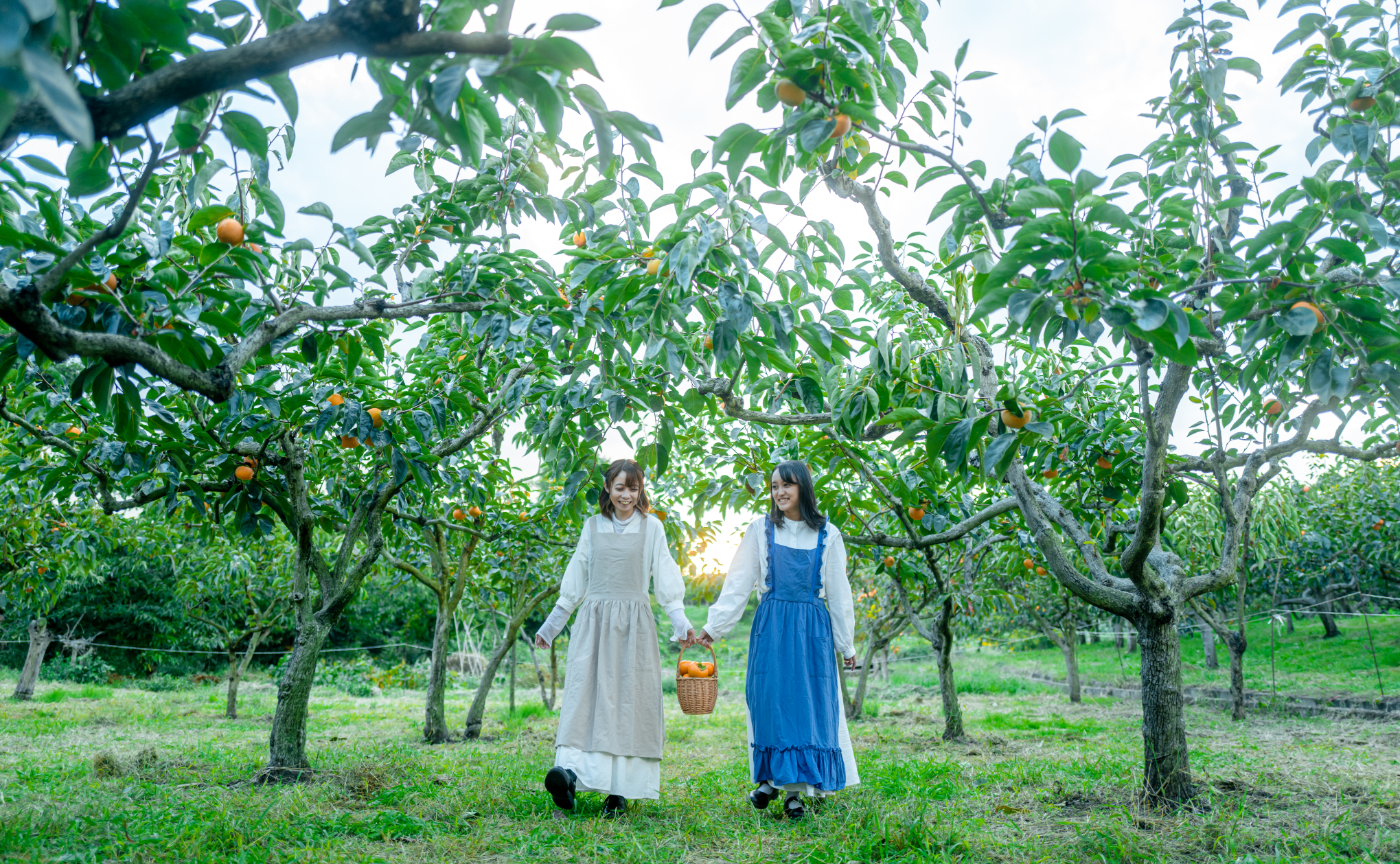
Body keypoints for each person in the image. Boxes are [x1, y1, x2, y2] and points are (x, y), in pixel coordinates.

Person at [690, 460, 858, 820]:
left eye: (787, 485)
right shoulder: (759, 529)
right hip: (771, 626)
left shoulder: (828, 534)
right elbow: (737, 582)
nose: (779, 492)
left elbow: (841, 594)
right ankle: (768, 780)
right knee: (768, 700)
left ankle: (795, 794)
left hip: (812, 631)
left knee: (806, 705)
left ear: (803, 488)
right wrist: (713, 627)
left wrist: (847, 644)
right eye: (774, 486)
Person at [533, 459, 694, 817]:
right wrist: (552, 624)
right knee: (585, 700)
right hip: (594, 624)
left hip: (635, 625)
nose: (626, 494)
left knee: (628, 703)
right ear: (607, 488)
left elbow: (664, 574)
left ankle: (619, 792)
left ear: (641, 491)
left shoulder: (652, 528)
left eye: (633, 488)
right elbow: (576, 575)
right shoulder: (592, 527)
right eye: (619, 487)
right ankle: (570, 775)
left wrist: (680, 620)